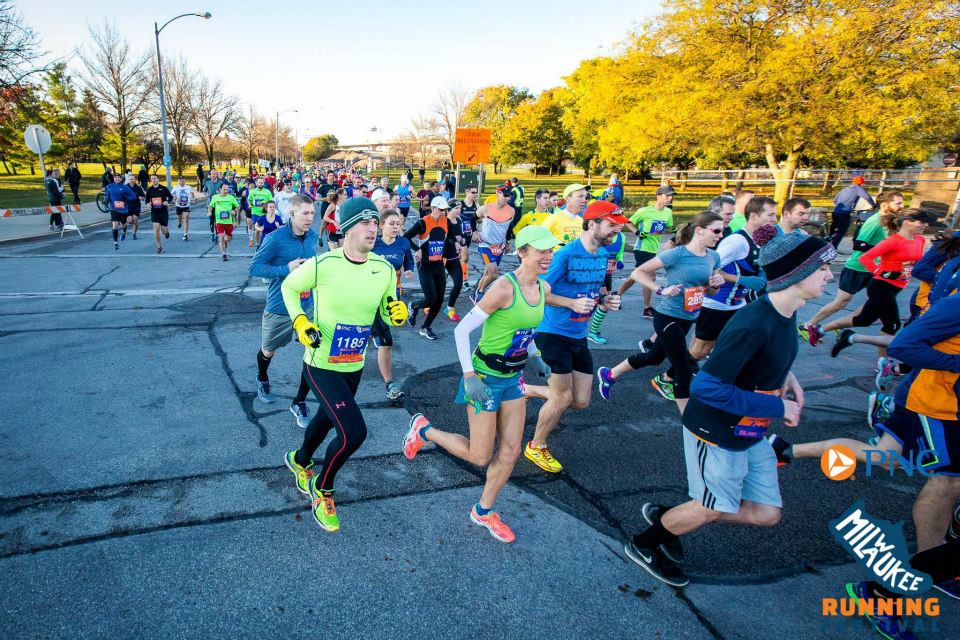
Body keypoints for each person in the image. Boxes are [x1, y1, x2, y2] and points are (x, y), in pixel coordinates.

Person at [624, 233, 836, 587]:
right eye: (823, 268)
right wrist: (777, 404)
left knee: (766, 514)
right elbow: (706, 387)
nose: (829, 275)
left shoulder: (786, 312)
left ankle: (670, 517)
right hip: (716, 431)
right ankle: (645, 544)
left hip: (750, 430)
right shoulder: (754, 321)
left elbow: (768, 356)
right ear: (797, 273)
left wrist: (789, 378)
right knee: (711, 507)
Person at [402, 225, 558, 542]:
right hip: (484, 378)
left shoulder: (542, 287)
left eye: (550, 250)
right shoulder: (503, 288)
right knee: (479, 456)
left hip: (513, 378)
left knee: (512, 451)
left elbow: (523, 330)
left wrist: (536, 354)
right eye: (541, 250)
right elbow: (462, 332)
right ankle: (424, 430)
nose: (547, 256)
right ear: (523, 251)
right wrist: (469, 376)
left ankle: (483, 511)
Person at [281, 197, 408, 532]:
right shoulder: (323, 264)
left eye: (375, 222)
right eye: (366, 223)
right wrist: (300, 322)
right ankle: (322, 486)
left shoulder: (382, 268)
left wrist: (395, 311)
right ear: (347, 227)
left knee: (325, 419)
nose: (373, 229)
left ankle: (300, 460)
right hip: (320, 363)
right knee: (353, 433)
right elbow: (289, 288)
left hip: (353, 365)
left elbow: (385, 305)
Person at [521, 201, 626, 473]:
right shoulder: (564, 255)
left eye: (618, 225)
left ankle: (528, 390)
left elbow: (598, 288)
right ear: (592, 224)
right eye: (611, 224)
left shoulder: (602, 254)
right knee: (561, 398)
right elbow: (538, 291)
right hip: (551, 332)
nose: (617, 229)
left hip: (578, 335)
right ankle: (536, 446)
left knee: (580, 401)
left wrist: (606, 301)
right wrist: (569, 303)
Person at [598, 212, 725, 413]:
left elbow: (710, 291)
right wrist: (660, 289)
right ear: (699, 231)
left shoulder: (713, 257)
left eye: (722, 230)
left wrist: (715, 285)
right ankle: (690, 420)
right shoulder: (677, 254)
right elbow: (637, 272)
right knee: (683, 368)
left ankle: (609, 374)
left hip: (688, 317)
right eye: (717, 230)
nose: (720, 234)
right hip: (667, 316)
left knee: (654, 357)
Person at [821, 208, 932, 357]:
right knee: (892, 325)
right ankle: (883, 363)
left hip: (898, 286)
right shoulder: (893, 241)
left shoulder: (920, 240)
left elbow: (917, 262)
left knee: (864, 320)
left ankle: (821, 329)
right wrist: (882, 272)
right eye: (922, 222)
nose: (925, 225)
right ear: (907, 222)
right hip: (881, 286)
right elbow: (865, 258)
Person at [249, 195, 320, 427]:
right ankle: (262, 378)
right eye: (305, 214)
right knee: (268, 351)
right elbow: (255, 267)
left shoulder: (313, 236)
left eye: (312, 213)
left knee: (313, 351)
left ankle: (299, 401)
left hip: (306, 307)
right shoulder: (275, 238)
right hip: (279, 307)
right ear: (292, 214)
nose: (310, 218)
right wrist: (285, 269)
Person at [800, 190, 903, 344]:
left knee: (875, 301)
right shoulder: (875, 221)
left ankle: (842, 323)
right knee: (842, 301)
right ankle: (808, 325)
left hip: (875, 269)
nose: (901, 206)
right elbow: (858, 244)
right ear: (885, 204)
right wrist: (883, 249)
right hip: (858, 267)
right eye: (898, 203)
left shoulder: (890, 221)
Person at [371, 209, 415, 401]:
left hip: (391, 297)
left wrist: (409, 271)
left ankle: (390, 384)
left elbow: (409, 261)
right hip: (367, 297)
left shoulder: (403, 243)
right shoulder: (372, 242)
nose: (396, 227)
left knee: (386, 341)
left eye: (398, 223)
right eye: (392, 223)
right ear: (381, 225)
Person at [405, 196, 450, 340]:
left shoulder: (445, 221)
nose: (443, 213)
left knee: (439, 300)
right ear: (433, 208)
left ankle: (425, 327)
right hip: (424, 266)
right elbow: (406, 237)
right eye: (440, 210)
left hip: (438, 265)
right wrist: (417, 249)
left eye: (444, 210)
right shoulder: (422, 223)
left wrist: (458, 242)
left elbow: (451, 236)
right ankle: (413, 306)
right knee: (431, 299)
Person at [628, 186, 675, 318]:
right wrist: (637, 232)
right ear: (658, 196)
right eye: (667, 196)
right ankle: (647, 308)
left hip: (654, 248)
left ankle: (618, 293)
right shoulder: (644, 211)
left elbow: (667, 229)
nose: (670, 198)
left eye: (672, 196)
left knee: (636, 275)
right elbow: (628, 222)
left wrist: (664, 229)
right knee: (649, 276)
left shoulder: (668, 212)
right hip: (641, 247)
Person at [472, 184, 515, 303]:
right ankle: (480, 292)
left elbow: (509, 227)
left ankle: (477, 292)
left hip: (499, 246)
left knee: (488, 272)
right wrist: (475, 232)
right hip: (486, 244)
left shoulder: (511, 211)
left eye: (509, 196)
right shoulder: (486, 208)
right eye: (505, 195)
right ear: (498, 194)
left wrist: (507, 242)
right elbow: (472, 218)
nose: (507, 198)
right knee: (494, 273)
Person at [830, 174, 876, 249]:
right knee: (841, 231)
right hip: (844, 213)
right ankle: (833, 248)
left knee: (833, 230)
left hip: (835, 212)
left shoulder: (844, 189)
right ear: (861, 183)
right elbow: (867, 197)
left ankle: (829, 242)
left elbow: (835, 200)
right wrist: (873, 205)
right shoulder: (857, 188)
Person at [442, 199, 468, 321]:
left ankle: (449, 307)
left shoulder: (459, 221)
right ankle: (430, 304)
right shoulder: (443, 221)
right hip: (441, 258)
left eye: (460, 208)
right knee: (438, 285)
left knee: (458, 283)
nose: (459, 210)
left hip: (453, 258)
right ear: (448, 209)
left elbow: (461, 235)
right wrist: (454, 241)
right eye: (456, 208)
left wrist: (463, 240)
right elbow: (443, 238)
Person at [104, 173, 136, 250]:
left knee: (123, 224)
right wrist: (106, 199)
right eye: (116, 177)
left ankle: (124, 232)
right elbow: (108, 195)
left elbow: (133, 196)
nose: (117, 178)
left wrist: (126, 199)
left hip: (123, 209)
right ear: (114, 178)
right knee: (114, 225)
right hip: (113, 208)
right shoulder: (110, 186)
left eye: (118, 177)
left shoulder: (125, 187)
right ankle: (116, 243)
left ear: (121, 179)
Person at [209, 183, 240, 261]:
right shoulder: (215, 197)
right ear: (220, 189)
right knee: (221, 236)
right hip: (219, 221)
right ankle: (224, 254)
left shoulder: (231, 197)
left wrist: (234, 211)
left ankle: (224, 241)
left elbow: (237, 206)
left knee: (228, 238)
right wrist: (209, 212)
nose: (226, 191)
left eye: (227, 189)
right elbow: (210, 205)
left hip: (229, 221)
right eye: (224, 189)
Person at [144, 175, 173, 254]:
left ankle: (166, 232)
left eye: (155, 178)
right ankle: (159, 246)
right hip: (154, 212)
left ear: (158, 179)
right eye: (152, 179)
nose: (153, 180)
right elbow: (146, 201)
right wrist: (148, 204)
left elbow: (170, 197)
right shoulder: (149, 190)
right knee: (156, 228)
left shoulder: (163, 188)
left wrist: (167, 202)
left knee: (163, 231)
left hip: (163, 211)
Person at [248, 176, 274, 248]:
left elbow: (271, 201)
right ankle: (258, 244)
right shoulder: (252, 191)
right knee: (258, 230)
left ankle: (263, 244)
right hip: (255, 213)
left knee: (264, 229)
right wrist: (250, 204)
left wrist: (267, 207)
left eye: (262, 182)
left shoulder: (267, 191)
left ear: (263, 183)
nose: (260, 184)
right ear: (256, 183)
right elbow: (249, 200)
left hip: (264, 213)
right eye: (259, 182)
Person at [202, 169, 224, 243]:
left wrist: (221, 192)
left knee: (217, 221)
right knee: (211, 220)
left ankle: (217, 235)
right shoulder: (207, 182)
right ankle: (212, 233)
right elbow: (204, 191)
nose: (213, 175)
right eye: (212, 174)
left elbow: (224, 192)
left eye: (215, 174)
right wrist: (206, 195)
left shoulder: (221, 183)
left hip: (218, 205)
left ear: (217, 175)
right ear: (210, 175)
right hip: (210, 204)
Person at [125, 174, 145, 240]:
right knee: (130, 221)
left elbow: (143, 196)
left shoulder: (138, 187)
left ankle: (134, 233)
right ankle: (134, 224)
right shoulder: (125, 187)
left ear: (135, 180)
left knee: (135, 219)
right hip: (128, 206)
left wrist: (141, 198)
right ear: (128, 180)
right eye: (130, 179)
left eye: (133, 179)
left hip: (136, 206)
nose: (131, 180)